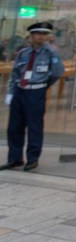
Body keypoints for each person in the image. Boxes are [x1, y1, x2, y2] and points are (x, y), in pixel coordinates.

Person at [1, 22, 64, 171]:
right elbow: (15, 73)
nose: (41, 37)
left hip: (36, 92)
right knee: (14, 127)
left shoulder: (51, 53)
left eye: (44, 34)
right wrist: (11, 92)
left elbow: (57, 72)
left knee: (34, 126)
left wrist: (42, 85)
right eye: (37, 34)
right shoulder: (23, 53)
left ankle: (32, 158)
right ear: (31, 36)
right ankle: (15, 158)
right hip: (19, 91)